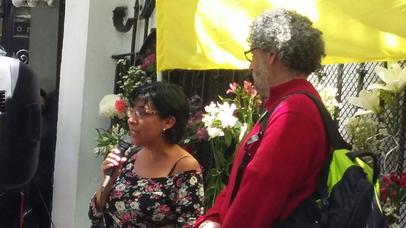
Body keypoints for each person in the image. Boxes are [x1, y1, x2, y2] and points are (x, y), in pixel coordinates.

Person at [196, 8, 327, 228]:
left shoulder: (293, 111)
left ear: (271, 55)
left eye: (252, 55)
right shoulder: (290, 104)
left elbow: (259, 193)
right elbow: (245, 181)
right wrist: (215, 217)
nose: (250, 66)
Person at [89, 82, 205, 227]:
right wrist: (107, 182)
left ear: (168, 121)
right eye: (132, 111)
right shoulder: (130, 155)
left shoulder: (184, 166)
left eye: (142, 113)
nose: (131, 120)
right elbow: (95, 213)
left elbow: (189, 223)